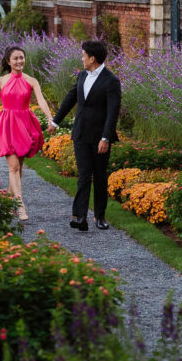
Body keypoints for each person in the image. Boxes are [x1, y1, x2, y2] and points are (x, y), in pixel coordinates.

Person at [52, 39, 121, 231]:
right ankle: (80, 216)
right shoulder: (82, 75)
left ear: (93, 58)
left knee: (99, 176)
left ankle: (100, 216)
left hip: (100, 138)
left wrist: (106, 138)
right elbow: (70, 99)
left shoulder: (111, 81)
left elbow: (112, 112)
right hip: (81, 134)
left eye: (84, 55)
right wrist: (55, 121)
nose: (81, 58)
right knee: (84, 175)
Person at [0, 46, 57, 220]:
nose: (19, 61)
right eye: (15, 58)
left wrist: (49, 118)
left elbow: (41, 100)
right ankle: (20, 205)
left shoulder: (32, 81)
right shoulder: (0, 81)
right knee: (13, 166)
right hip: (7, 125)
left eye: (21, 58)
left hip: (24, 126)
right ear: (8, 61)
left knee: (19, 167)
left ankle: (9, 204)